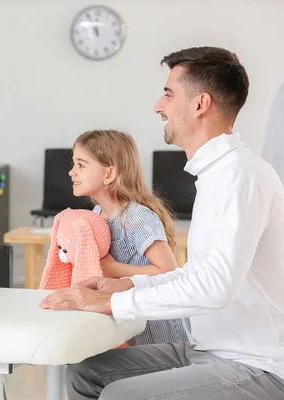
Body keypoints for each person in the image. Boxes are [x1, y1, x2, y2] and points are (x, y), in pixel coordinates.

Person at [40, 46, 284, 399]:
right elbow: (200, 274)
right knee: (87, 372)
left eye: (168, 94)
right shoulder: (218, 176)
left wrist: (112, 304)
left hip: (255, 364)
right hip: (208, 350)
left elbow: (216, 287)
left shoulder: (239, 176)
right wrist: (127, 287)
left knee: (121, 395)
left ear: (200, 104)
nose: (158, 105)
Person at [68, 129, 187, 345]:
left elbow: (169, 272)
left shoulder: (135, 218)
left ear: (109, 174)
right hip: (124, 324)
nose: (72, 172)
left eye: (81, 165)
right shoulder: (95, 216)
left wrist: (114, 270)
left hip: (156, 331)